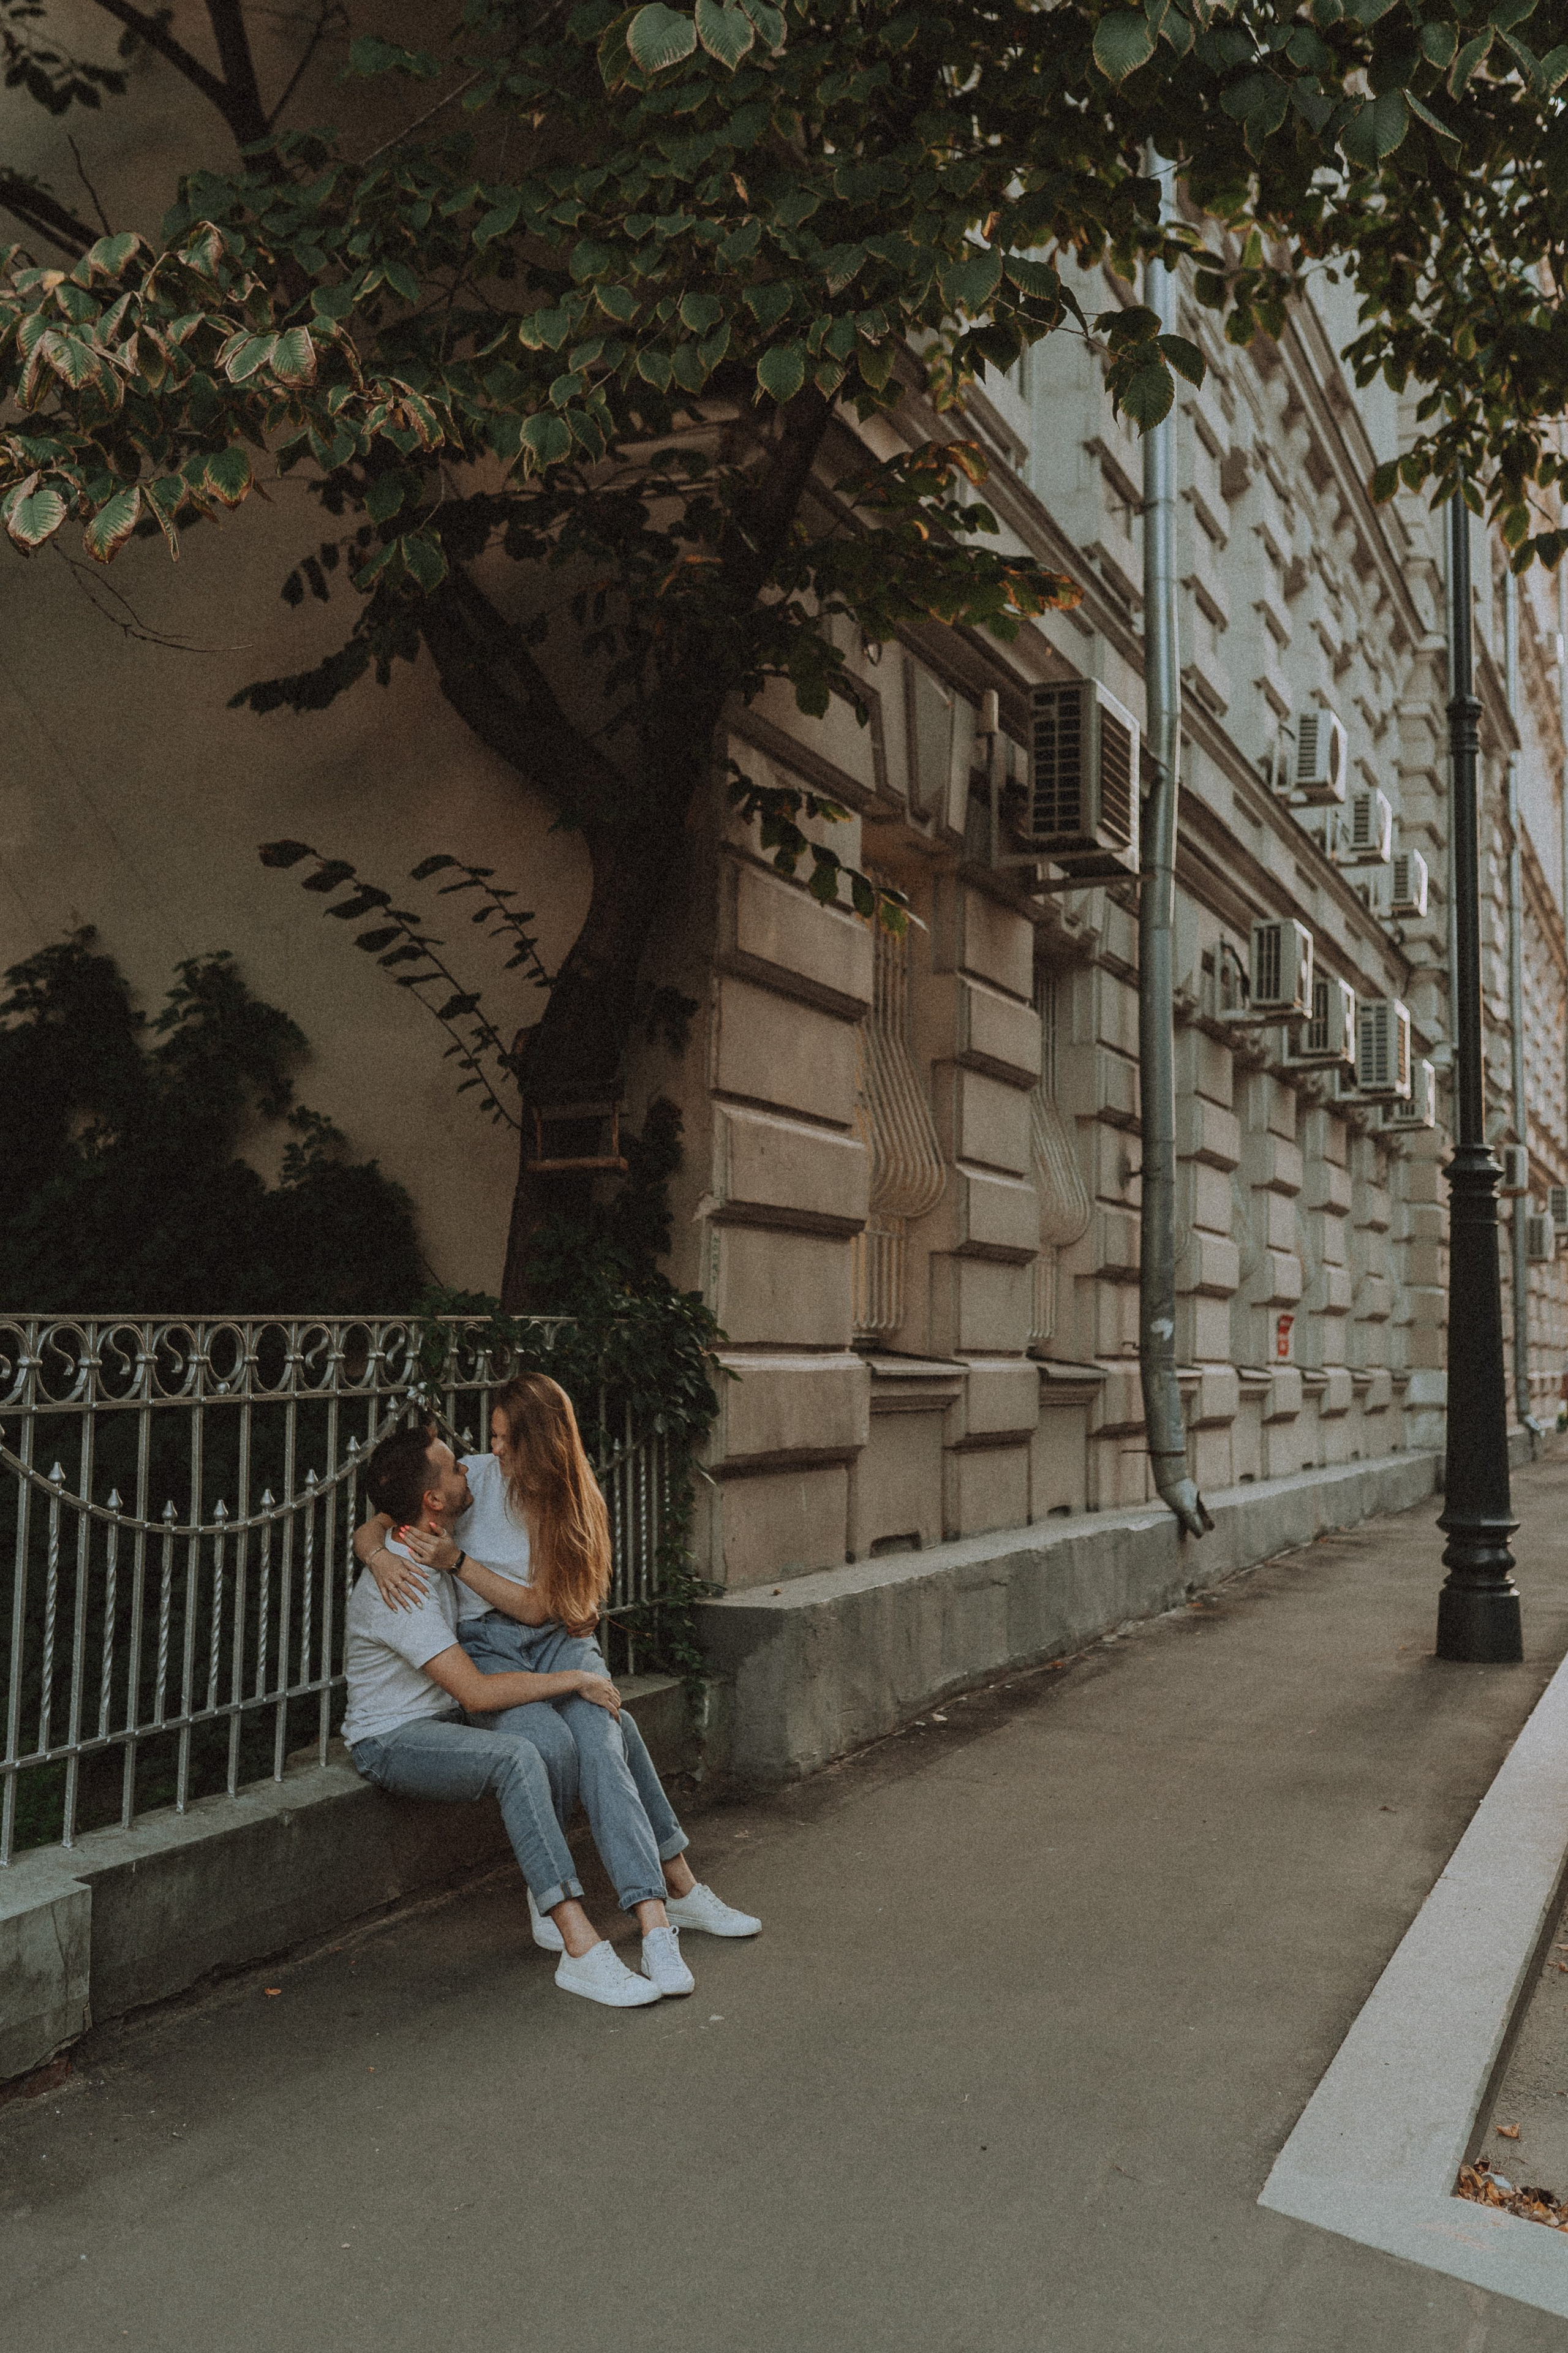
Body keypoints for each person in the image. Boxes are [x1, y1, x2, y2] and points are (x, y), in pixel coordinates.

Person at [354, 1372, 760, 1993]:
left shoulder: (569, 1501)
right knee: (557, 1743)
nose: (487, 1453)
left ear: (539, 1445)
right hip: (487, 1648)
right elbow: (393, 1508)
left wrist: (461, 1563)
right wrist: (373, 1549)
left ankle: (657, 1919)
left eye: (502, 1439)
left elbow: (544, 1610)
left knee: (603, 1734)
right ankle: (635, 1894)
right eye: (487, 1438)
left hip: (555, 1638)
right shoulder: (472, 1482)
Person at [343, 1420, 664, 2008]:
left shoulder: (421, 1531)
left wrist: (369, 1540)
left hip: (445, 1719)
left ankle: (673, 1886)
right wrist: (576, 1677)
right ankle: (578, 1944)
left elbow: (386, 1514)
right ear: (433, 1500)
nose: (469, 1467)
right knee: (520, 1755)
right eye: (454, 1466)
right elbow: (478, 1693)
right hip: (394, 1737)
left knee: (607, 1721)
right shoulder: (403, 1581)